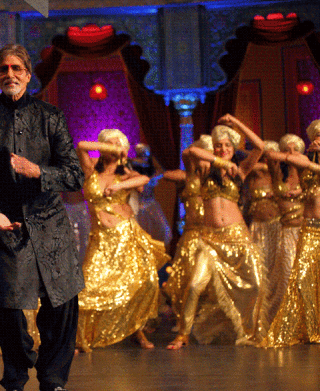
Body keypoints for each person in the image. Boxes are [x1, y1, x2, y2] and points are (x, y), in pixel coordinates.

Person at [0, 44, 84, 391]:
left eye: (17, 68)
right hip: (7, 224)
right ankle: (16, 374)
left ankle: (53, 378)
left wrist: (38, 172)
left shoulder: (50, 116)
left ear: (28, 75)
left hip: (50, 222)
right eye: (3, 69)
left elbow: (74, 175)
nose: (10, 74)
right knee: (7, 307)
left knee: (62, 302)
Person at [75, 130, 170, 351]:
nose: (116, 148)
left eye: (120, 145)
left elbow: (144, 180)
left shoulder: (125, 173)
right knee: (87, 289)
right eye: (110, 144)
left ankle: (137, 331)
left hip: (126, 235)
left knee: (138, 284)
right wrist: (111, 147)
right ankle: (80, 338)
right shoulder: (90, 169)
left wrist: (118, 186)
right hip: (100, 239)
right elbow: (81, 146)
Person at [180, 114, 268, 346]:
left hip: (237, 236)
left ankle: (249, 332)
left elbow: (260, 146)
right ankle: (182, 334)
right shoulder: (204, 168)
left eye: (228, 145)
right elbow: (190, 152)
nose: (223, 149)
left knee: (256, 286)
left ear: (234, 148)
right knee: (194, 286)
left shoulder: (241, 170)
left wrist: (236, 123)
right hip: (210, 240)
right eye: (218, 145)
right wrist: (221, 163)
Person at [262, 121, 320, 347]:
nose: (317, 141)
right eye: (315, 137)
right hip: (309, 229)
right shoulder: (306, 166)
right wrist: (291, 155)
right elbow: (272, 154)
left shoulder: (310, 166)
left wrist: (299, 159)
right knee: (303, 279)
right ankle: (312, 329)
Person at [163, 135, 212, 349]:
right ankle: (183, 323)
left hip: (208, 235)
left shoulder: (216, 175)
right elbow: (172, 169)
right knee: (184, 280)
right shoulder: (189, 175)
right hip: (190, 235)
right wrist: (198, 148)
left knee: (203, 282)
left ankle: (203, 322)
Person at [262, 134, 304, 323]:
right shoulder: (277, 173)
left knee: (306, 279)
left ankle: (305, 322)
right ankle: (286, 321)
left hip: (307, 232)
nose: (291, 153)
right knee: (287, 277)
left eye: (295, 149)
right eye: (287, 149)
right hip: (287, 232)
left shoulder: (307, 174)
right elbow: (268, 153)